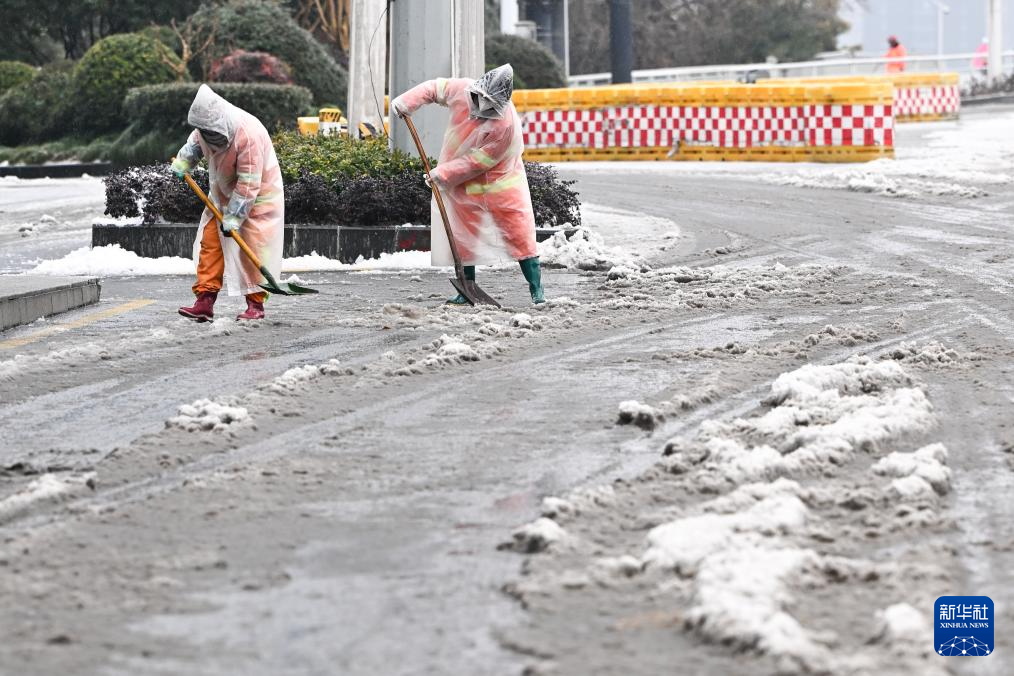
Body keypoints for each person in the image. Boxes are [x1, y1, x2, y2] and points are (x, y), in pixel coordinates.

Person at [390, 64, 545, 305]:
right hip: (462, 182)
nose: (481, 106)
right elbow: (434, 88)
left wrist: (443, 173)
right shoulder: (461, 89)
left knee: (519, 233)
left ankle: (537, 289)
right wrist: (407, 102)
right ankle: (466, 286)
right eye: (479, 98)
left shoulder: (504, 126)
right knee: (463, 234)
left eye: (489, 104)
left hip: (501, 182)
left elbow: (479, 162)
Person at [171, 84, 284, 322]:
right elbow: (193, 147)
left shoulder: (247, 134)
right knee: (210, 243)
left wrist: (235, 216)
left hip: (258, 196)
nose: (209, 139)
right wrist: (183, 163)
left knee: (251, 247)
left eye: (212, 134)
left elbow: (249, 183)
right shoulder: (205, 129)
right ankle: (204, 301)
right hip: (222, 195)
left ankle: (255, 304)